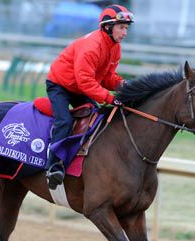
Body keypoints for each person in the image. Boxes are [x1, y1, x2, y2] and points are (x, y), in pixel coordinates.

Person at [45, 4, 134, 190]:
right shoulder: (92, 46)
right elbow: (85, 81)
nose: (125, 32)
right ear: (108, 27)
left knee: (95, 118)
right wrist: (109, 99)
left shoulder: (115, 47)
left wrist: (123, 85)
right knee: (64, 122)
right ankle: (53, 166)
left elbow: (107, 77)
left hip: (79, 87)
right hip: (60, 85)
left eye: (126, 28)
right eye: (121, 27)